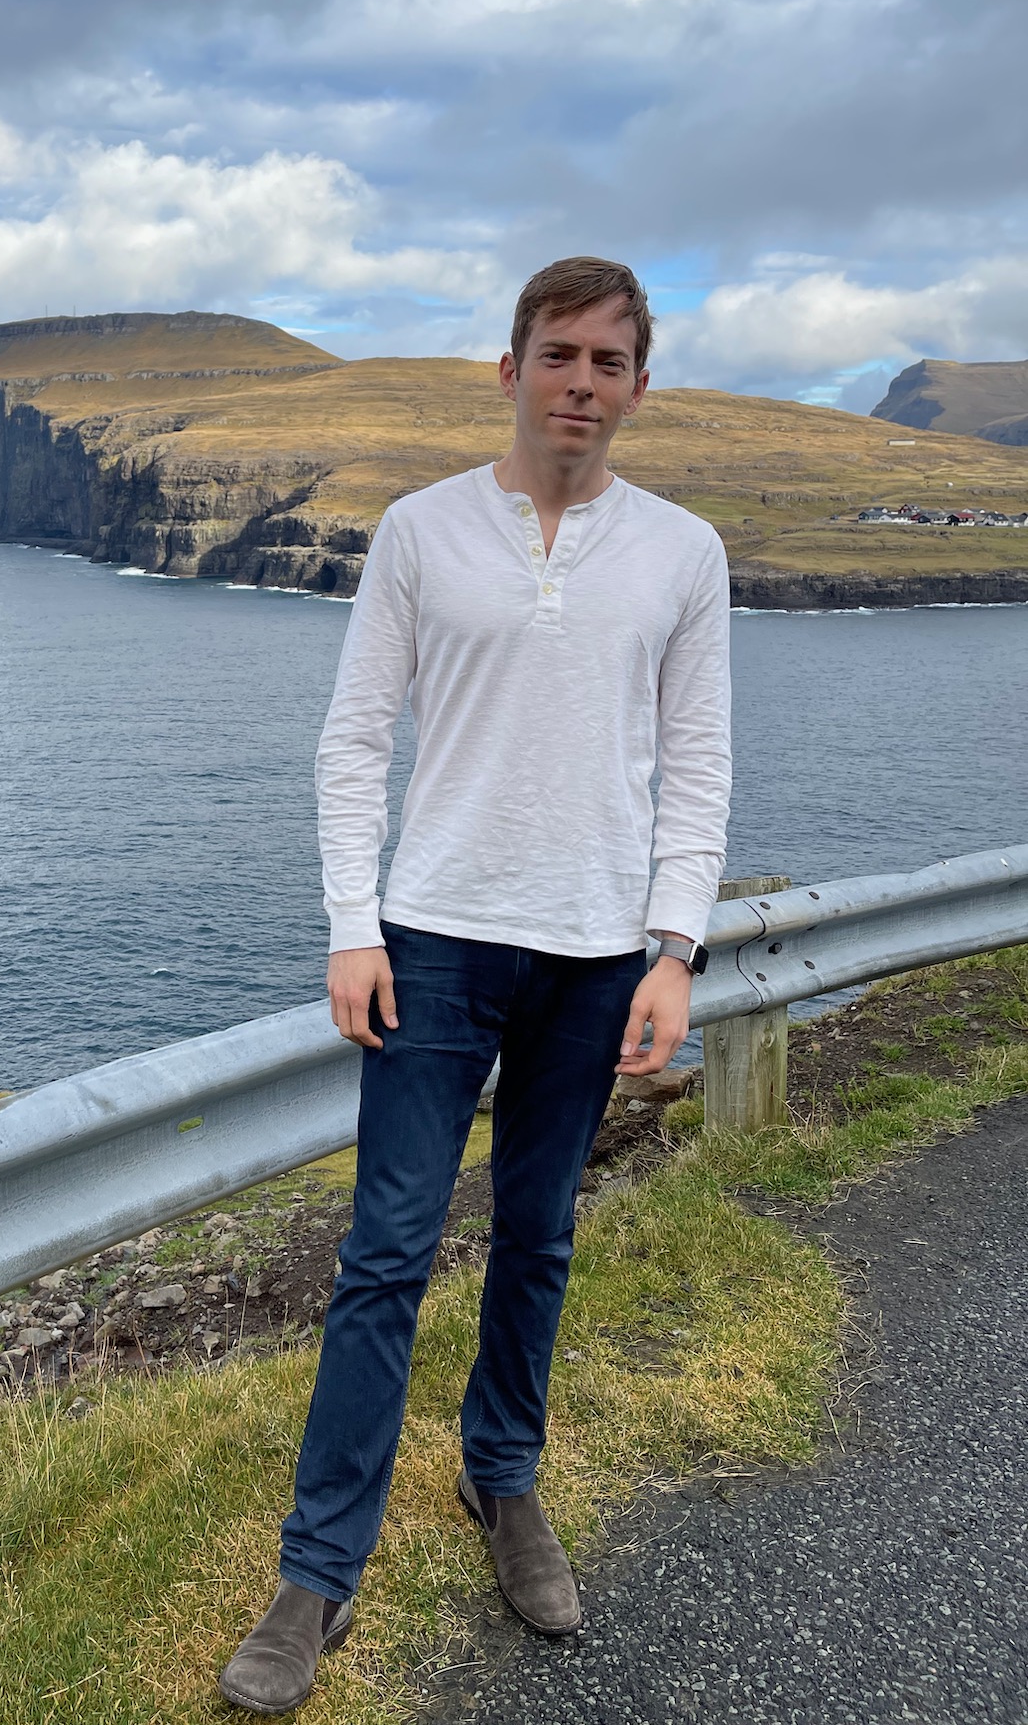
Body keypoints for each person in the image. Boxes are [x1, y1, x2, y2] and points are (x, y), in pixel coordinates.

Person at [219, 256, 732, 1715]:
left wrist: (675, 948)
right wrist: (352, 924)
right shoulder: (421, 531)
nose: (580, 383)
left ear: (639, 384)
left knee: (538, 1239)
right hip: (434, 940)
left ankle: (503, 1485)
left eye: (607, 362)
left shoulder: (681, 553)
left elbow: (697, 762)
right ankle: (317, 1575)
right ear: (507, 370)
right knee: (383, 1255)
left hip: (593, 954)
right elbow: (351, 741)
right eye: (557, 355)